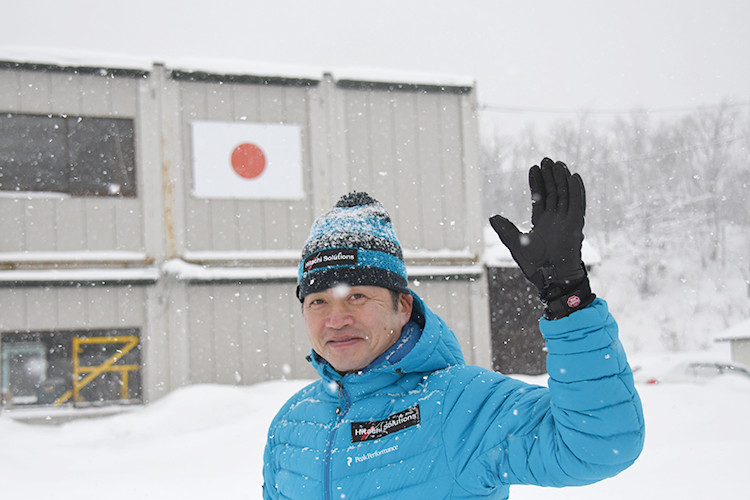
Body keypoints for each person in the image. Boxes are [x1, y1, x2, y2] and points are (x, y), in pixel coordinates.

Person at [263, 158, 645, 500]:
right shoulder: (293, 422)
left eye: (358, 297)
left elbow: (596, 446)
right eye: (318, 302)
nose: (336, 319)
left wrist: (567, 296)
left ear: (403, 307)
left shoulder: (462, 405)